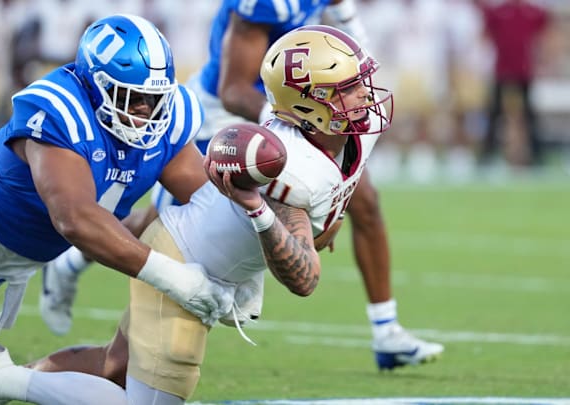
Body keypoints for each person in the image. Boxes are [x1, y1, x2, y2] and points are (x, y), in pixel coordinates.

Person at [0, 24, 396, 405]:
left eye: (360, 81)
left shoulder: (354, 129)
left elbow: (336, 187)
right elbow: (304, 279)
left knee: (115, 367)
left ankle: (2, 374)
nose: (365, 96)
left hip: (196, 248)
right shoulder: (290, 166)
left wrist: (326, 218)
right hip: (184, 258)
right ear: (310, 105)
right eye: (349, 88)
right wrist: (259, 211)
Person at [40, 0, 444, 370]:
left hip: (308, 110)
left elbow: (347, 25)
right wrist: (292, 132)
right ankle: (74, 259)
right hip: (226, 125)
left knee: (365, 200)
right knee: (171, 224)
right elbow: (233, 90)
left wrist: (327, 202)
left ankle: (386, 327)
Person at [0, 14, 235, 338]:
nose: (145, 110)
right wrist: (176, 279)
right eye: (128, 95)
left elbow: (207, 201)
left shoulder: (169, 121)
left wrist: (248, 264)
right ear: (94, 86)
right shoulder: (60, 109)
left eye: (154, 97)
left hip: (2, 259)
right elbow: (75, 219)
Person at [475, 0, 550, 167]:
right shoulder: (499, 11)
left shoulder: (532, 11)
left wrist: (542, 61)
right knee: (495, 113)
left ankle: (536, 154)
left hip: (524, 71)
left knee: (529, 116)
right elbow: (485, 35)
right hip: (502, 70)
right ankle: (487, 156)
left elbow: (544, 35)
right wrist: (482, 63)